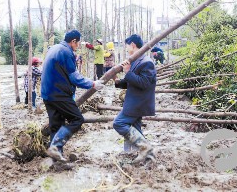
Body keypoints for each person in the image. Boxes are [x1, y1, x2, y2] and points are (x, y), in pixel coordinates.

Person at [41, 29, 105, 162]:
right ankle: (56, 146)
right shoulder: (66, 51)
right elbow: (74, 77)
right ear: (73, 41)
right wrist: (92, 83)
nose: (77, 47)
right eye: (77, 44)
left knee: (56, 125)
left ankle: (57, 160)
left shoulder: (54, 48)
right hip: (59, 93)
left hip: (47, 93)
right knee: (77, 119)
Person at [113, 34, 156, 164]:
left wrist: (128, 72)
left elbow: (144, 83)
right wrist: (116, 81)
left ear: (132, 45)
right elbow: (130, 82)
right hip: (135, 101)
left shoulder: (146, 62)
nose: (126, 49)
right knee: (136, 129)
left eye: (127, 46)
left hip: (138, 103)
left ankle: (145, 147)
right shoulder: (136, 61)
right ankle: (149, 158)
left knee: (119, 123)